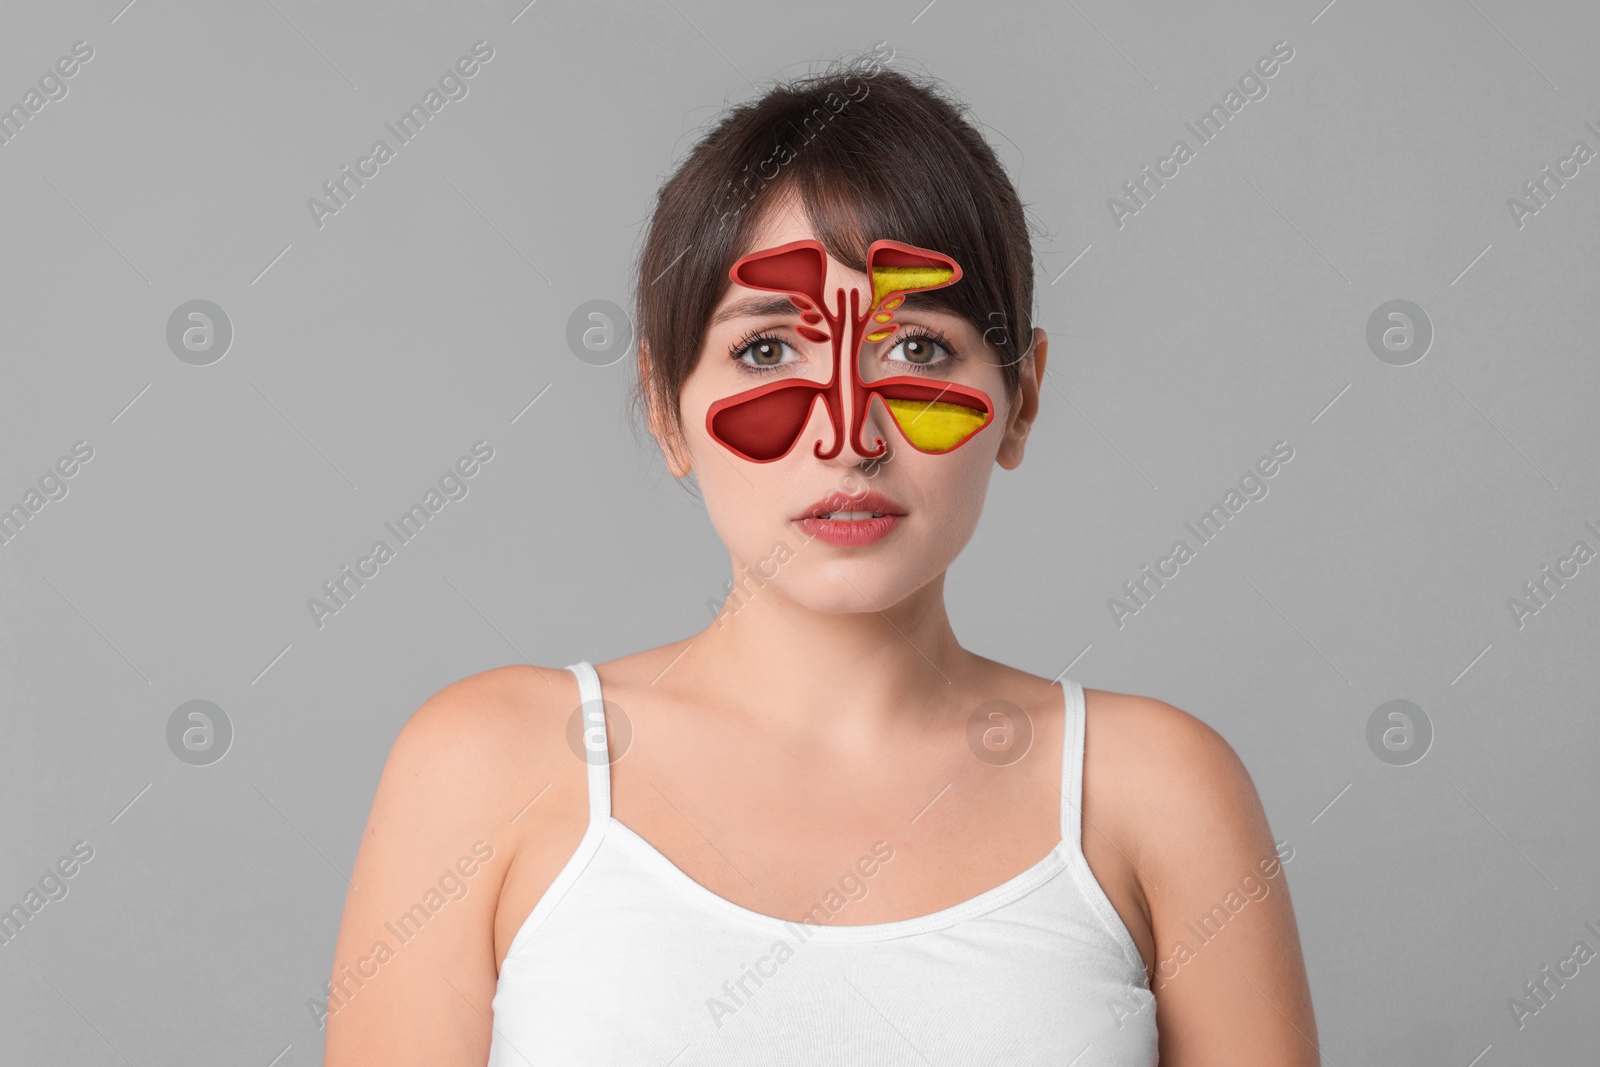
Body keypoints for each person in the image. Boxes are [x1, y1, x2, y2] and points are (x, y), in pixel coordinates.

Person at [323, 56, 1318, 1065]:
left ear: (1021, 395)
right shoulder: (488, 769)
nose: (852, 435)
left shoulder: (1156, 791)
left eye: (921, 349)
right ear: (666, 407)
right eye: (765, 351)